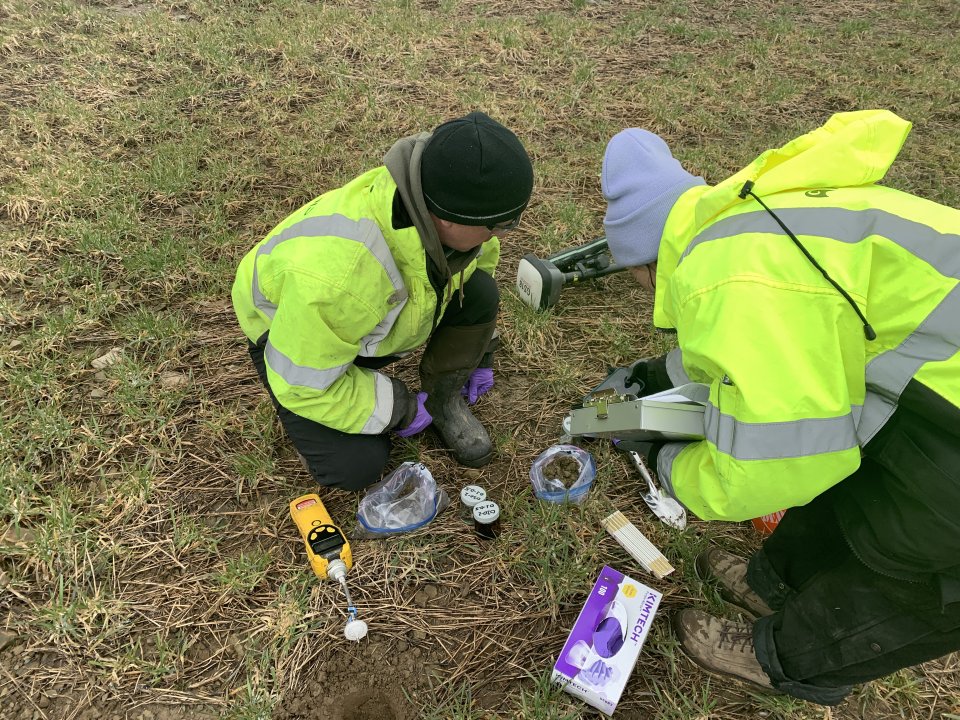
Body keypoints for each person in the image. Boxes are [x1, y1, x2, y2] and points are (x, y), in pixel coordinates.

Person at [598, 109, 960, 705]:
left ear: (643, 263)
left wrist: (673, 469)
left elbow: (782, 463)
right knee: (855, 472)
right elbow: (788, 338)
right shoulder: (749, 221)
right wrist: (662, 376)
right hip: (937, 384)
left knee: (919, 556)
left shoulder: (730, 281)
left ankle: (784, 656)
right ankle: (776, 581)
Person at [231, 111, 533, 491]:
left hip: (353, 320)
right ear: (450, 217)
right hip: (290, 338)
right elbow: (303, 386)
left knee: (480, 294)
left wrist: (476, 352)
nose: (499, 236)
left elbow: (477, 270)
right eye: (498, 224)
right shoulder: (342, 279)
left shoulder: (439, 195)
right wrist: (402, 406)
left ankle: (442, 402)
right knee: (356, 466)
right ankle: (327, 421)